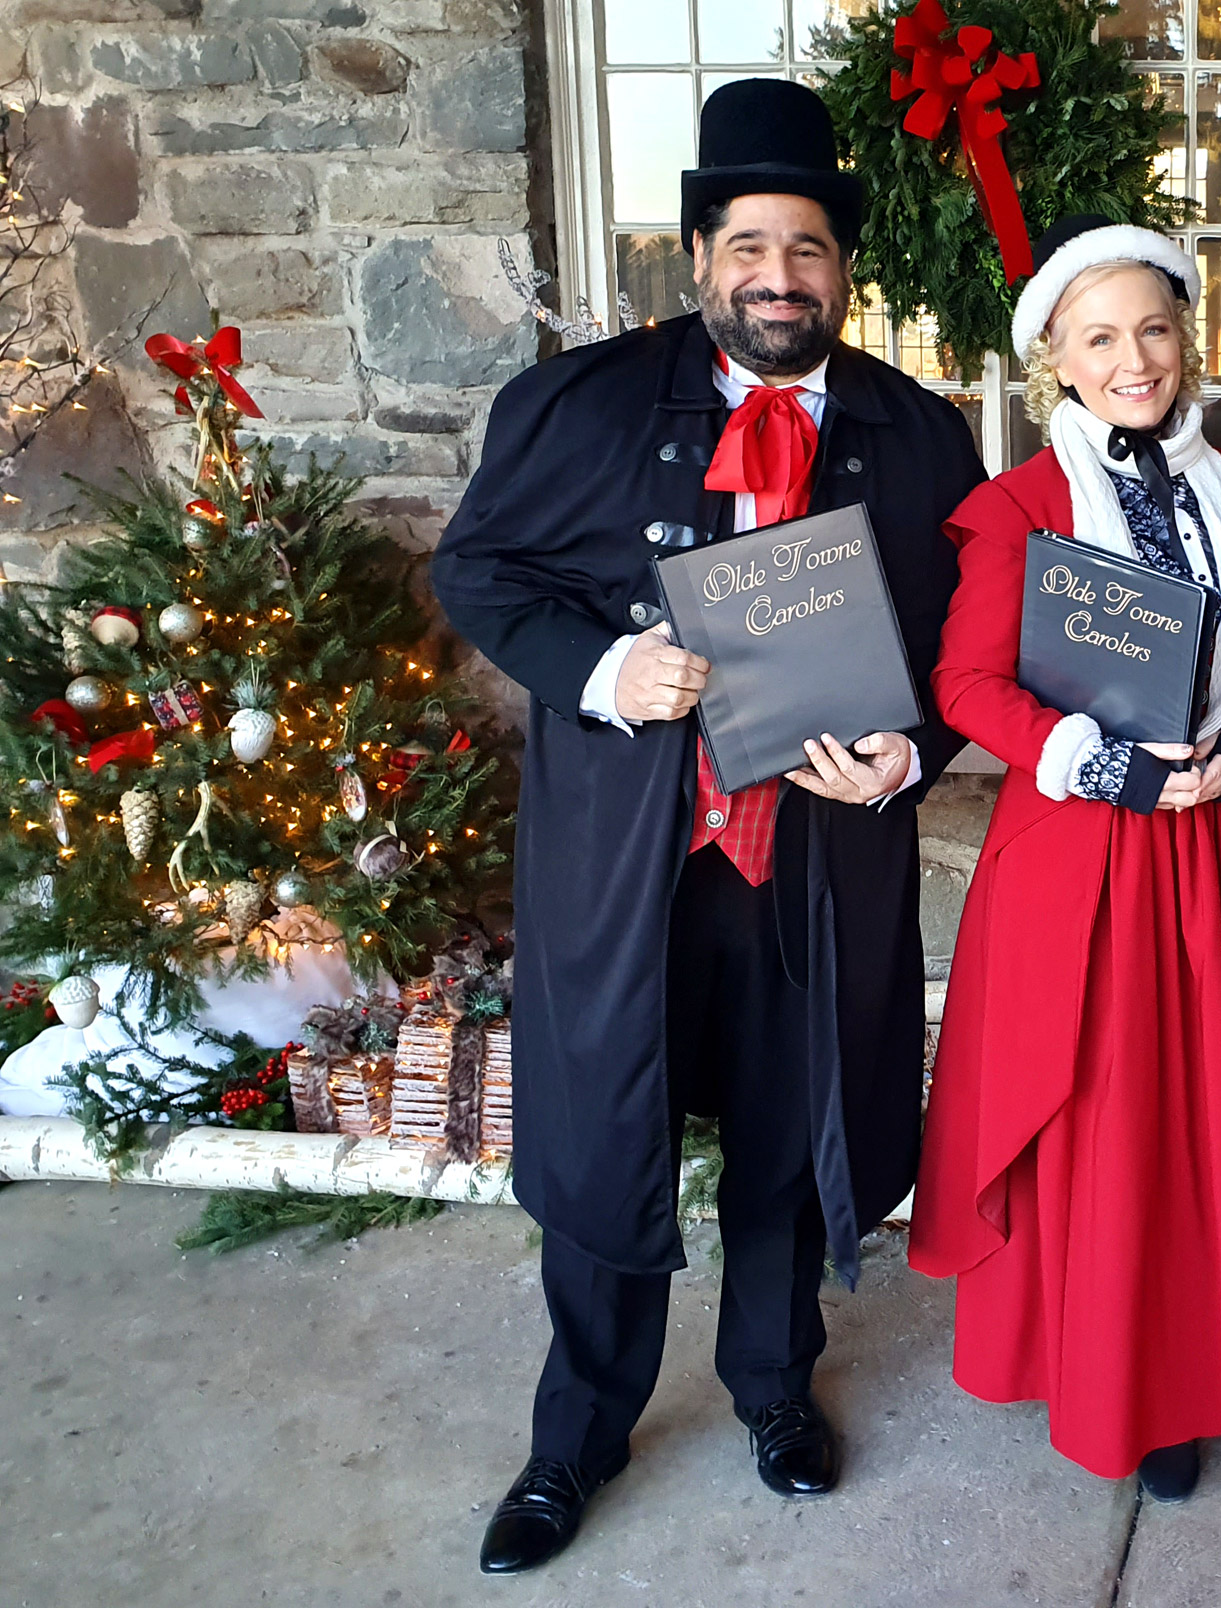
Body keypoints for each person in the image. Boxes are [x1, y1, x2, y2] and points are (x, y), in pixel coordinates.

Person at [430, 78, 986, 1573]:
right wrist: (604, 671)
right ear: (698, 257)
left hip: (815, 859)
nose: (778, 277)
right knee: (606, 1127)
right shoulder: (582, 405)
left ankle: (772, 1383)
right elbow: (479, 572)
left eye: (806, 249)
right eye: (749, 246)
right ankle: (576, 1434)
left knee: (792, 1128)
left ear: (841, 268)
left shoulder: (915, 433)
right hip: (634, 860)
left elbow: (965, 648)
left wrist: (910, 753)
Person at [908, 217, 1221, 1503]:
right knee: (1106, 1118)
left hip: (1211, 843)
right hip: (1081, 859)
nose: (1132, 360)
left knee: (1204, 1114)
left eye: (1152, 329)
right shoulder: (1020, 508)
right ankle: (1099, 1377)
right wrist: (1096, 762)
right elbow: (967, 683)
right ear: (1058, 361)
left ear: (1186, 339)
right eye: (1100, 338)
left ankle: (1186, 1378)